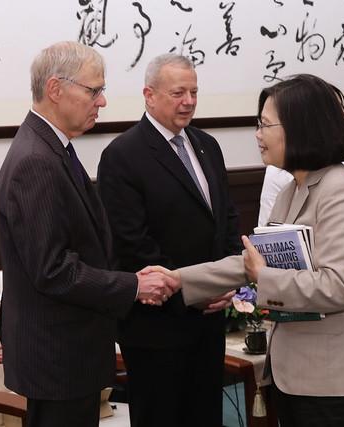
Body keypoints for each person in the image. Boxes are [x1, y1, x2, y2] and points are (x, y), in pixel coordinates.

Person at [150, 73, 344, 426]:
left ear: (300, 127)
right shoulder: (291, 189)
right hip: (297, 375)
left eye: (265, 125)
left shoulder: (341, 191)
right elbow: (252, 262)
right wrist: (177, 279)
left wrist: (263, 277)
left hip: (335, 382)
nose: (258, 135)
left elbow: (339, 287)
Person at [0, 41, 178, 427]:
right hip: (59, 356)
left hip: (68, 349)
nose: (102, 101)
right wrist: (134, 286)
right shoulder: (36, 160)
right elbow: (52, 270)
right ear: (55, 89)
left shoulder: (51, 147)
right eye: (94, 90)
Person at [97, 53, 242, 427]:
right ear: (149, 95)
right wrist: (193, 290)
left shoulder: (207, 144)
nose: (189, 102)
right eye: (178, 93)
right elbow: (132, 244)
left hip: (209, 324)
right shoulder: (122, 155)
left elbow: (226, 221)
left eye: (194, 92)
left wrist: (228, 281)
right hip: (157, 327)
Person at [258, 86, 344, 295]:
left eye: (340, 108)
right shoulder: (286, 185)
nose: (259, 134)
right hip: (297, 296)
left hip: (342, 297)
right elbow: (266, 243)